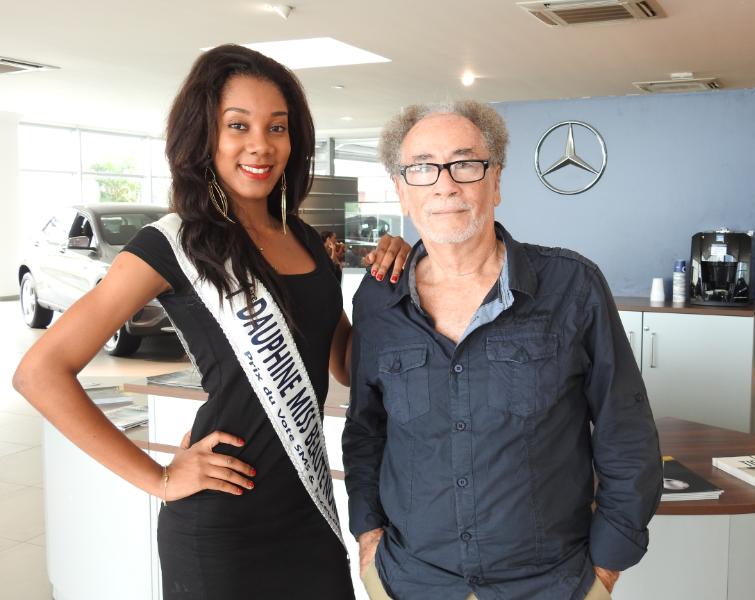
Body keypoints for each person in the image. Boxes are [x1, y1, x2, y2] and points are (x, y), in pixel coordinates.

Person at [13, 44, 410, 599]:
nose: (261, 145)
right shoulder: (173, 243)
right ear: (203, 135)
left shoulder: (304, 239)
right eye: (237, 125)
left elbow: (344, 363)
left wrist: (390, 280)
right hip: (222, 529)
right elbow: (39, 372)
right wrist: (159, 477)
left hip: (309, 516)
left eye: (277, 127)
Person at [342, 100, 663, 600]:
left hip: (551, 584)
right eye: (422, 168)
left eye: (465, 164)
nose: (445, 184)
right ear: (402, 191)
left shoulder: (572, 286)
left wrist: (608, 563)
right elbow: (366, 431)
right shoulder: (377, 301)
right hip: (412, 580)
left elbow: (626, 431)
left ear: (495, 182)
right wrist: (367, 537)